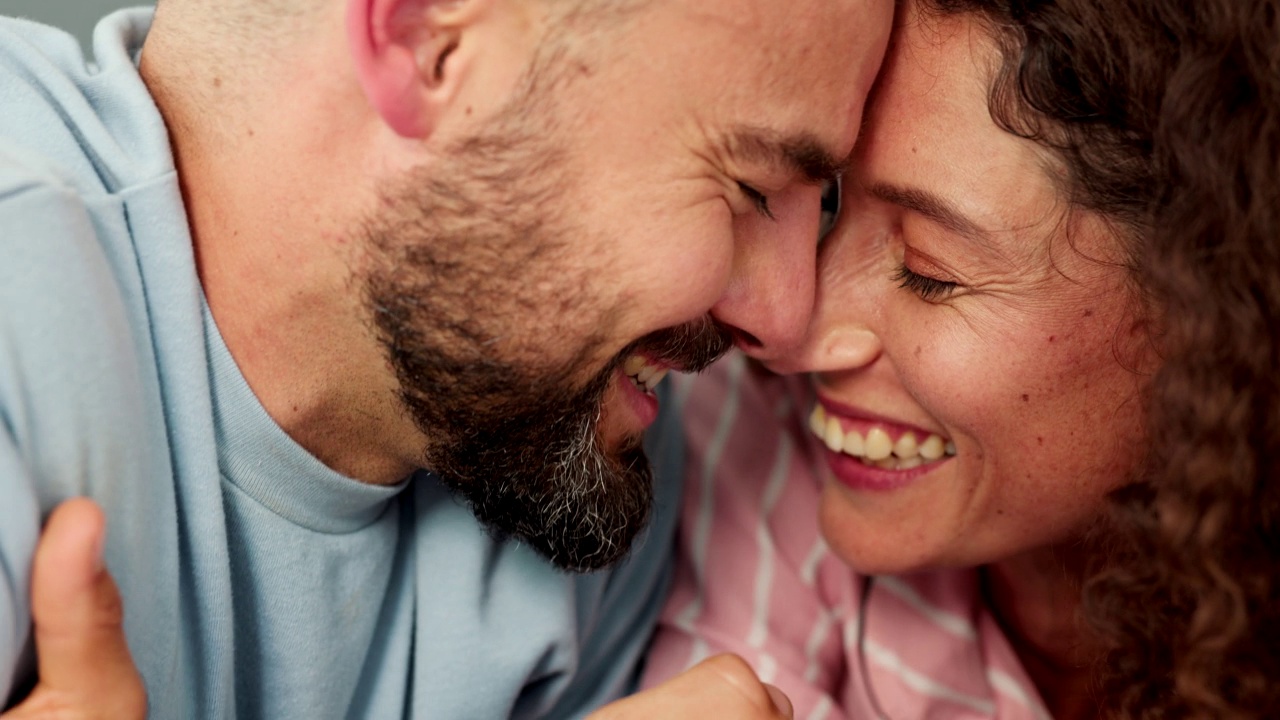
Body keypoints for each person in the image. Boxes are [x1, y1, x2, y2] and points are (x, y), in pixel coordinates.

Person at [0, 0, 894, 716]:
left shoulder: (584, 449)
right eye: (749, 186)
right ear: (427, 42)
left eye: (821, 202)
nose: (787, 325)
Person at [643, 0, 1280, 717]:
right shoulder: (753, 441)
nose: (795, 336)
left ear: (1216, 318)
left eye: (928, 273)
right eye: (828, 207)